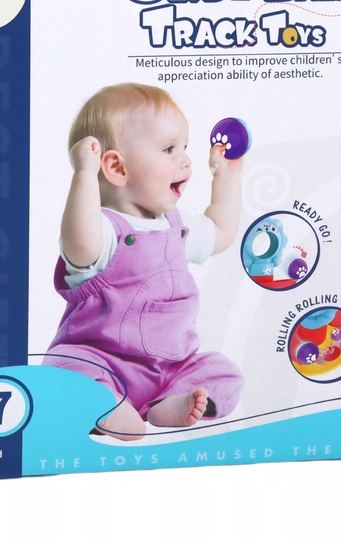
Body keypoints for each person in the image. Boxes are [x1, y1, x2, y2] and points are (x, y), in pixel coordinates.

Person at [44, 83, 244, 441]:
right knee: (64, 370)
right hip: (101, 364)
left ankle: (168, 404)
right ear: (116, 168)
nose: (185, 160)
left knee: (224, 372)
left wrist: (226, 176)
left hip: (170, 368)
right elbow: (79, 245)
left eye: (185, 147)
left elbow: (221, 232)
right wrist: (84, 175)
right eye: (169, 149)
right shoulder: (103, 230)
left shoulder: (176, 227)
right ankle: (107, 406)